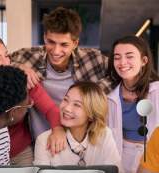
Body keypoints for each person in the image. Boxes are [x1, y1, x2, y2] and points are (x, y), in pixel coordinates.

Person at [11, 7, 111, 139]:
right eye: (51, 42)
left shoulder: (93, 59)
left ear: (75, 43)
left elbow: (120, 74)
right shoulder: (27, 56)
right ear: (45, 37)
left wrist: (93, 93)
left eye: (64, 45)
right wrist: (18, 67)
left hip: (81, 141)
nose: (56, 51)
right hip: (40, 139)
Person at [0, 33, 66, 166]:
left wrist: (58, 129)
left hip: (21, 153)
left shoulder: (22, 79)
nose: (7, 63)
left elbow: (50, 109)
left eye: (7, 56)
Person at [107, 35, 159, 173]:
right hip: (123, 155)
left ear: (144, 61)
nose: (122, 62)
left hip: (155, 156)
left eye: (129, 56)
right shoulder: (110, 96)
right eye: (117, 57)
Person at [34, 81, 122, 171]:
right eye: (65, 99)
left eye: (77, 105)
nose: (67, 108)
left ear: (91, 115)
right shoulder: (44, 140)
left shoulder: (104, 134)